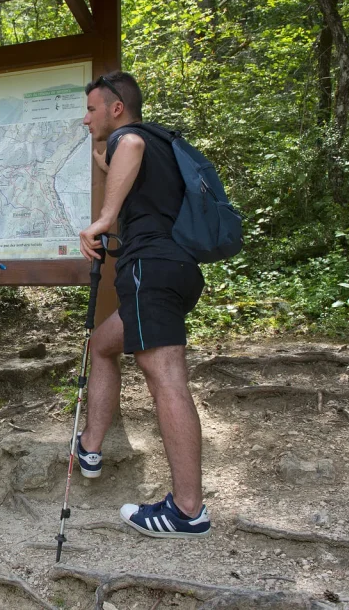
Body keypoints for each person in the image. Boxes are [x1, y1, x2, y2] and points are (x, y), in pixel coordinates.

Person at [77, 71, 210, 538]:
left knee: (167, 379)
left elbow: (125, 148)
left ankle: (187, 511)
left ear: (116, 108)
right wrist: (101, 158)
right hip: (175, 269)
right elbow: (123, 163)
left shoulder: (131, 138)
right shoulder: (161, 143)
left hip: (147, 270)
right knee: (102, 345)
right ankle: (91, 444)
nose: (85, 116)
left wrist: (106, 218)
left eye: (92, 108)